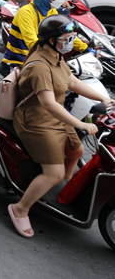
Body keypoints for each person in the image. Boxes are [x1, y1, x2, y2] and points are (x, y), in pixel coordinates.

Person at [8, 15, 109, 238]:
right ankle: (20, 208)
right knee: (53, 173)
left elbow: (73, 82)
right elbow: (48, 103)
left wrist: (106, 99)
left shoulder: (56, 56)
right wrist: (81, 124)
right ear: (52, 40)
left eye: (72, 37)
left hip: (54, 118)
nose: (71, 41)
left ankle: (60, 186)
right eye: (67, 38)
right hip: (36, 121)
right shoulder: (40, 66)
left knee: (77, 150)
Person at [2, 0, 88, 75]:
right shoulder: (26, 12)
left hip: (38, 60)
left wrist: (85, 48)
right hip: (18, 62)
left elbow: (64, 33)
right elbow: (33, 43)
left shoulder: (51, 10)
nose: (60, 0)